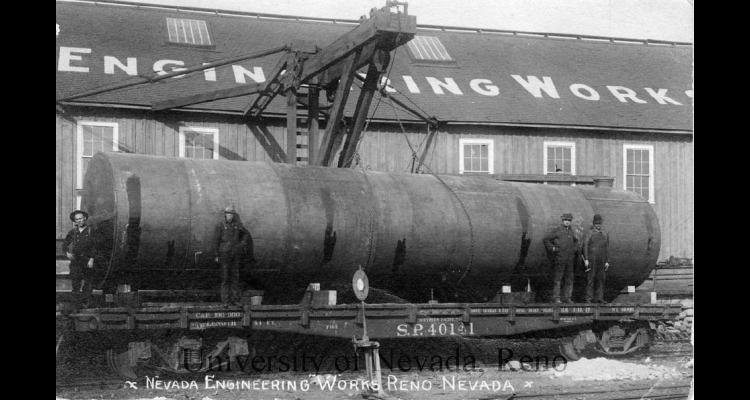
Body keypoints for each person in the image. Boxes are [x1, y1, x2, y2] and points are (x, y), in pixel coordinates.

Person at [214, 205, 250, 304]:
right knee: (225, 278)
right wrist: (216, 255)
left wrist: (241, 244)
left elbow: (246, 234)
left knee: (235, 278)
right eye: (228, 214)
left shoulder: (237, 225)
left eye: (231, 214)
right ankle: (225, 301)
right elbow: (216, 241)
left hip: (235, 255)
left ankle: (235, 300)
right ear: (225, 215)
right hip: (224, 255)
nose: (230, 216)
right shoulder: (220, 225)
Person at [543, 213, 578, 303]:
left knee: (569, 279)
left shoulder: (571, 231)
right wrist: (553, 248)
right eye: (566, 220)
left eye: (569, 220)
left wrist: (574, 249)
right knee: (558, 279)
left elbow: (576, 241)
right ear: (562, 221)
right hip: (560, 258)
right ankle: (556, 297)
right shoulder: (557, 230)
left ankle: (567, 298)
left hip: (570, 259)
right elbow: (546, 239)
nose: (567, 222)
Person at [63, 210, 95, 294]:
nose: (79, 221)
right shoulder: (73, 232)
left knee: (88, 284)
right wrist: (67, 253)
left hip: (87, 260)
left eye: (81, 218)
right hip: (75, 261)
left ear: (85, 218)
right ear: (75, 221)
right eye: (77, 219)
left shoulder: (91, 231)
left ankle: (86, 304)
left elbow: (95, 246)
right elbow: (65, 245)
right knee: (75, 284)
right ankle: (76, 304)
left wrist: (91, 259)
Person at [582, 214, 610, 303]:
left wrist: (607, 261)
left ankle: (599, 298)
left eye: (599, 223)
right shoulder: (590, 233)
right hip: (592, 259)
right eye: (596, 224)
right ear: (594, 224)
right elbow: (585, 246)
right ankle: (589, 298)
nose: (598, 225)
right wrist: (586, 259)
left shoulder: (604, 234)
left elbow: (607, 248)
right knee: (591, 279)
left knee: (601, 279)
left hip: (601, 260)